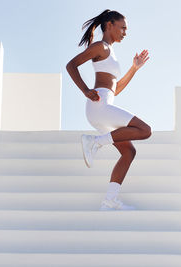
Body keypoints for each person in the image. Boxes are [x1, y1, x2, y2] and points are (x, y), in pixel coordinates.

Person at [66, 9, 151, 211]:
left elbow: (116, 88)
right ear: (110, 25)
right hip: (99, 106)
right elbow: (71, 65)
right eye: (122, 28)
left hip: (105, 106)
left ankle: (109, 200)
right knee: (145, 130)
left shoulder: (110, 51)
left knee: (129, 152)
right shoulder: (101, 47)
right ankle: (94, 142)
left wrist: (134, 68)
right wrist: (86, 90)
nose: (125, 33)